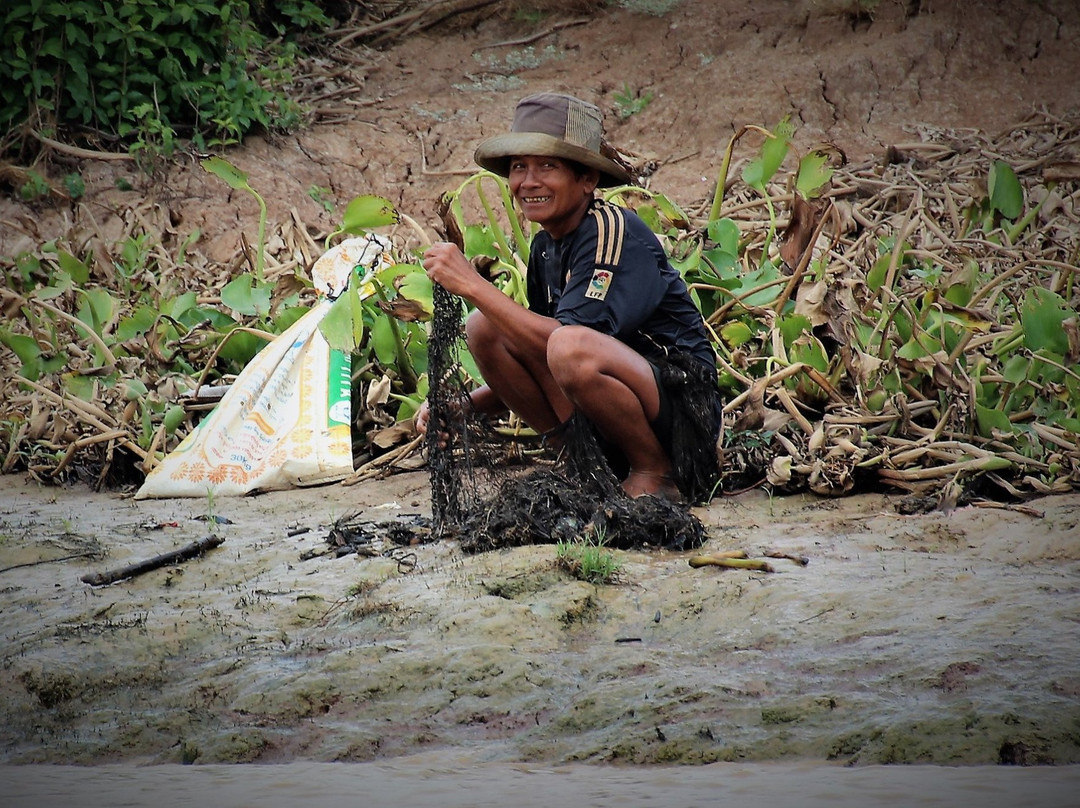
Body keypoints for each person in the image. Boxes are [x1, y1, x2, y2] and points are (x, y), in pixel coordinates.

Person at [416, 92, 721, 502]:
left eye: (547, 166)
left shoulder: (612, 230)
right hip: (612, 404)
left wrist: (472, 284)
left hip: (683, 415)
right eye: (519, 167)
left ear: (587, 180)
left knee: (567, 343)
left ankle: (656, 472)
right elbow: (541, 356)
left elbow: (569, 347)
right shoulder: (545, 248)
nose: (528, 181)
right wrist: (462, 407)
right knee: (484, 328)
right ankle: (579, 461)